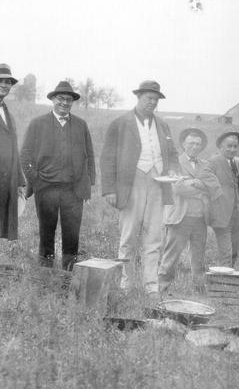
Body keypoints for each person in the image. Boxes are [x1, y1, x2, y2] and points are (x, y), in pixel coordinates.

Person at [100, 80, 179, 297]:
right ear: (138, 98)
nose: (152, 103)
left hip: (158, 183)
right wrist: (109, 189)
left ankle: (150, 286)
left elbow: (172, 153)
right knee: (129, 235)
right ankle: (126, 284)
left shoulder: (162, 125)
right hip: (131, 182)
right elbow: (107, 158)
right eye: (148, 98)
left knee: (154, 236)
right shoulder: (121, 123)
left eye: (155, 99)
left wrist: (172, 170)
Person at [20, 81, 95, 271]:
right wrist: (36, 181)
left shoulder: (80, 125)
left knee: (72, 236)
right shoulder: (38, 124)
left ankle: (68, 279)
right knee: (46, 234)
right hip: (46, 189)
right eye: (60, 98)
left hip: (73, 191)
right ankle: (45, 277)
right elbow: (25, 154)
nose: (64, 103)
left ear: (72, 102)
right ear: (53, 99)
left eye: (69, 100)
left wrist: (88, 184)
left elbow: (90, 155)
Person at [158, 128, 210, 293]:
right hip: (180, 218)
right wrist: (200, 186)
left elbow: (212, 186)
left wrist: (194, 183)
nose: (195, 147)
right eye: (191, 143)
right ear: (183, 144)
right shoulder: (175, 163)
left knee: (198, 260)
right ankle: (161, 290)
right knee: (170, 257)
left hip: (200, 219)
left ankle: (199, 292)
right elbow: (179, 188)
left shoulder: (206, 165)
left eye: (198, 144)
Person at [199, 132, 239, 268]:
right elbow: (204, 174)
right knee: (226, 252)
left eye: (235, 146)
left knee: (234, 250)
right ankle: (223, 281)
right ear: (221, 146)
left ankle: (229, 275)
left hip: (238, 215)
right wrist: (218, 190)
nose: (232, 149)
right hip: (222, 214)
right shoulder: (213, 161)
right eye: (229, 146)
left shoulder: (238, 164)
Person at [0, 64, 25, 242]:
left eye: (8, 82)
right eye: (0, 81)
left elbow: (13, 149)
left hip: (6, 180)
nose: (4, 85)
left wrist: (20, 181)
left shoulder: (7, 112)